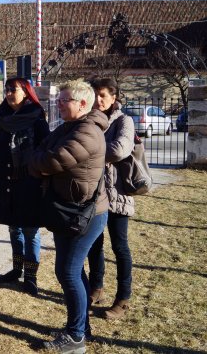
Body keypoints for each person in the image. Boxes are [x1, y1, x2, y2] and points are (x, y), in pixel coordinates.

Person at [29, 79, 108, 353]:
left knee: (68, 271)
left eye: (64, 101)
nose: (59, 104)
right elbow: (41, 150)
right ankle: (81, 327)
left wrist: (38, 164)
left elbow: (52, 159)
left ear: (83, 104)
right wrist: (39, 161)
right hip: (67, 210)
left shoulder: (87, 131)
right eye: (59, 100)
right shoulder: (68, 127)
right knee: (73, 271)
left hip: (84, 213)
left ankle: (75, 337)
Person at [0, 77, 49, 295]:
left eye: (14, 89)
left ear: (26, 92)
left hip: (29, 181)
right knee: (14, 228)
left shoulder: (37, 119)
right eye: (7, 89)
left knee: (30, 230)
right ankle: (16, 269)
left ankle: (31, 276)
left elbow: (44, 151)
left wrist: (38, 177)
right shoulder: (2, 118)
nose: (9, 93)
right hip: (6, 181)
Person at [86, 78, 136, 320]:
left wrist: (88, 150)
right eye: (95, 95)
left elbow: (119, 149)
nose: (98, 100)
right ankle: (96, 288)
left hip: (116, 194)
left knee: (120, 246)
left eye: (103, 95)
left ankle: (123, 298)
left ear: (114, 97)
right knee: (94, 244)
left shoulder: (124, 121)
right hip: (93, 195)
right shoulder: (90, 120)